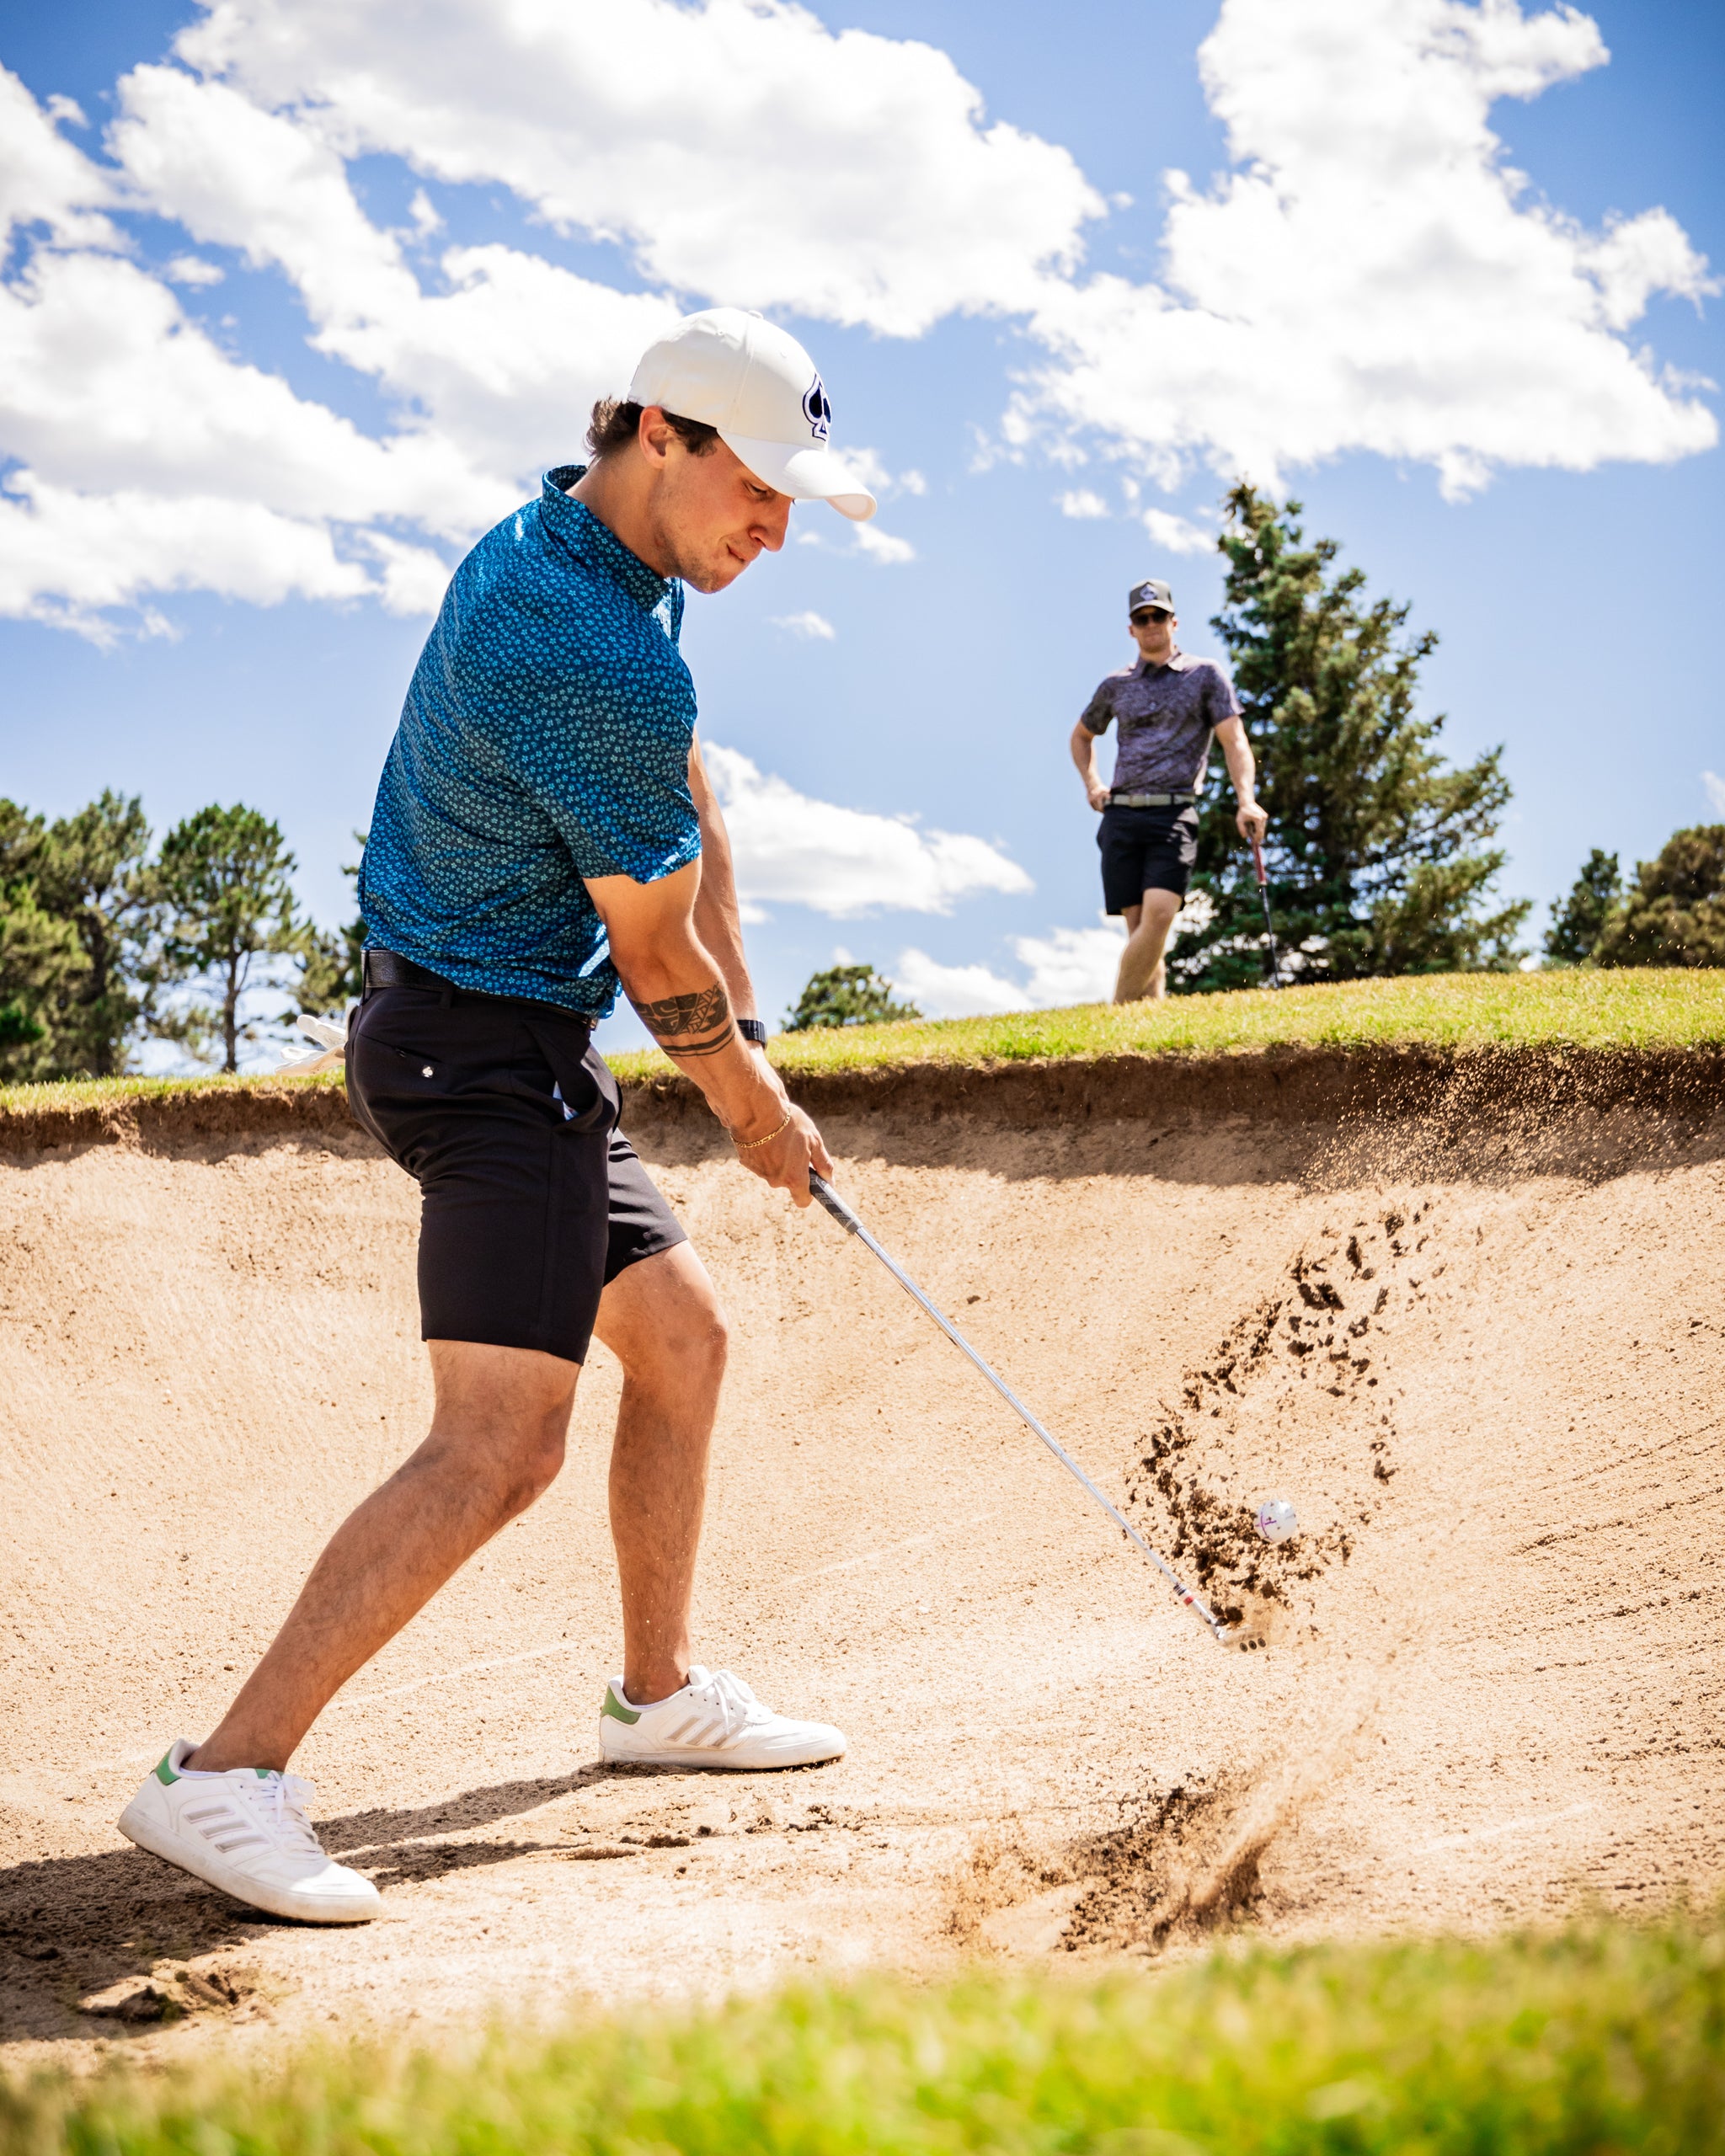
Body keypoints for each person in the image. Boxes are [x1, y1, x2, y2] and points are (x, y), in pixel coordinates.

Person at [117, 309, 879, 1925]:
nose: (779, 527)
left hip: (486, 1028)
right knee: (501, 1445)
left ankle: (654, 1697)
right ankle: (225, 1775)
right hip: (479, 1049)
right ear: (660, 437)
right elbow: (651, 949)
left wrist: (751, 1025)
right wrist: (751, 1107)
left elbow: (686, 801)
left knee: (679, 1342)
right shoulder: (582, 641)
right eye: (760, 485)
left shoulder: (593, 539)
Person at [1070, 578, 1268, 1002]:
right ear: (1131, 629)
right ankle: (1149, 1025)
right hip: (1122, 815)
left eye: (1157, 616)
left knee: (1160, 916)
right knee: (1142, 930)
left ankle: (1118, 1013)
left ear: (1173, 622)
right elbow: (1082, 736)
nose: (1150, 624)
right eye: (1142, 619)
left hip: (1173, 814)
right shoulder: (1115, 685)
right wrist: (1093, 785)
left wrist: (1246, 800)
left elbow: (1235, 742)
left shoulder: (1205, 676)